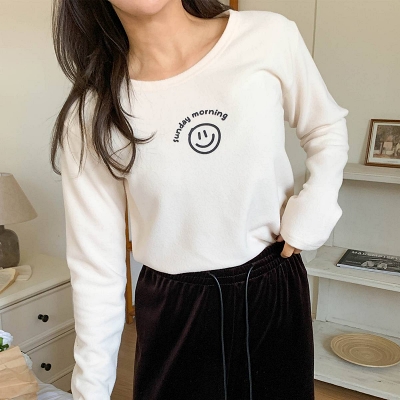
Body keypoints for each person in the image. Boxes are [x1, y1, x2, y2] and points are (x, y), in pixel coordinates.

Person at [50, 0, 349, 399]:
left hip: (272, 286)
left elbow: (325, 127)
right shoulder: (91, 113)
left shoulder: (268, 36)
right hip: (175, 311)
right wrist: (90, 392)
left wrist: (315, 207)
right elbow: (96, 270)